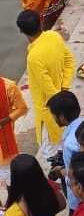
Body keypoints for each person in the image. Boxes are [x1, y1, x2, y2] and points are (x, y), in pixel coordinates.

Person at [16, 10, 76, 157]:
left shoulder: (33, 57)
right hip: (62, 98)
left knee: (51, 150)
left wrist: (60, 98)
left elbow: (48, 89)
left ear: (22, 31)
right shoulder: (54, 36)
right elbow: (70, 61)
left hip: (50, 109)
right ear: (41, 22)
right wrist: (64, 87)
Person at [0, 74, 25, 181]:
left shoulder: (9, 86)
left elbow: (22, 108)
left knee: (9, 177)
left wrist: (6, 120)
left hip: (4, 144)